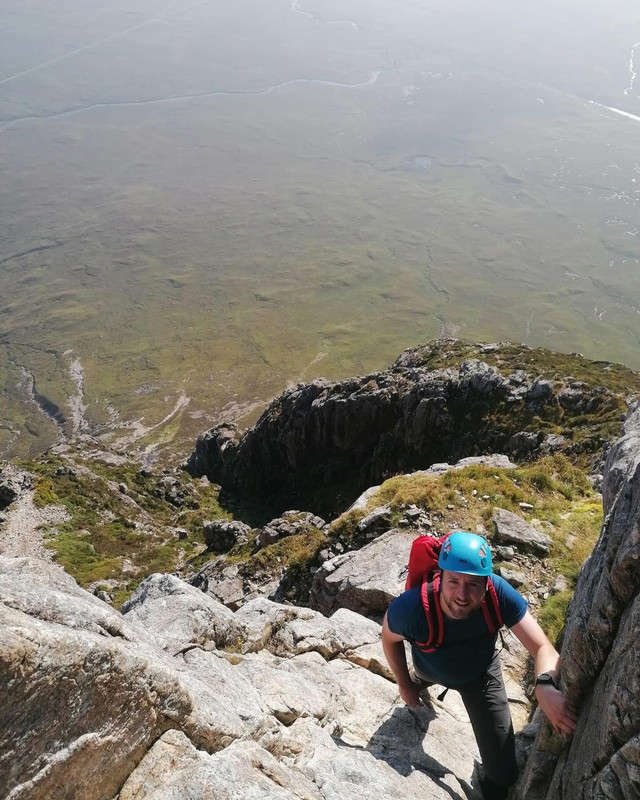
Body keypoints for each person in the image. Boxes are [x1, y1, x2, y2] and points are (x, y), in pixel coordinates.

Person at [381, 531, 577, 800]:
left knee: (505, 774)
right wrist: (405, 684)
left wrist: (544, 685)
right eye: (454, 581)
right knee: (421, 679)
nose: (462, 594)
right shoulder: (413, 608)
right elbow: (388, 637)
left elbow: (543, 648)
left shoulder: (498, 594)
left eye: (473, 584)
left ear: (487, 583)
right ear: (441, 576)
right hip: (427, 670)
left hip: (481, 678)